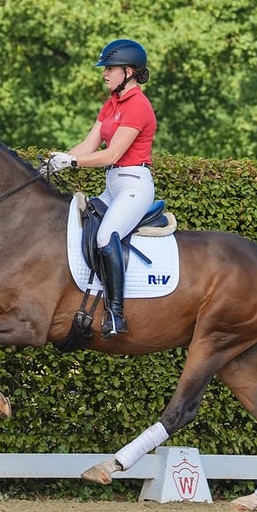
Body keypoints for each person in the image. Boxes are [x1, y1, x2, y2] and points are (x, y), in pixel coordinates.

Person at [44, 39, 157, 339]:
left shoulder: (138, 107)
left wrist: (72, 163)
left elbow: (111, 155)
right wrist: (58, 159)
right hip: (113, 185)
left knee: (107, 235)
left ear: (128, 72)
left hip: (134, 185)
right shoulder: (111, 103)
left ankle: (116, 314)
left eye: (110, 69)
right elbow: (89, 145)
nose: (104, 74)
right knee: (79, 224)